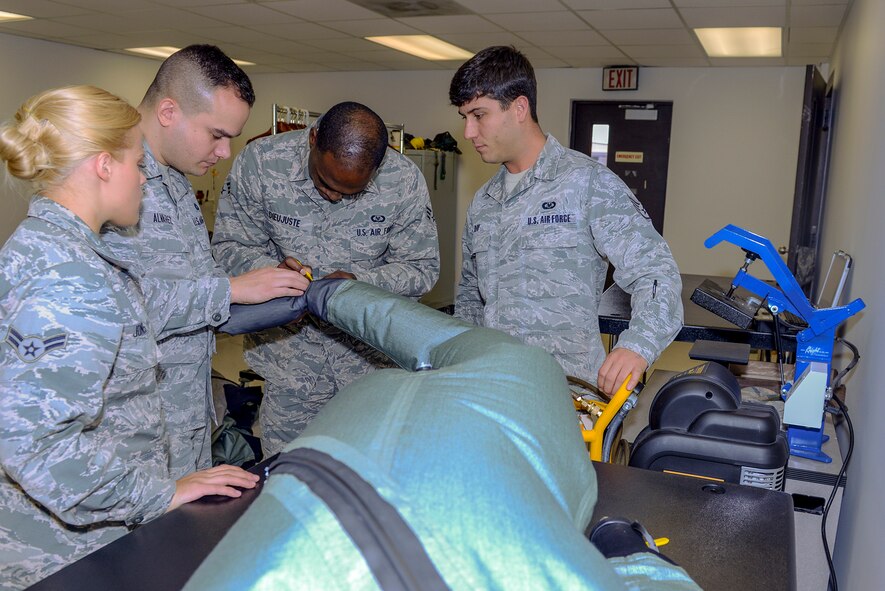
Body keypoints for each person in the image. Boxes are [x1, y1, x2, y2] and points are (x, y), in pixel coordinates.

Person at [0, 85, 258, 591]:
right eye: (138, 164)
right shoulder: (71, 279)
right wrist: (158, 494)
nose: (143, 179)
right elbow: (34, 444)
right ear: (104, 166)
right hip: (70, 552)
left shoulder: (47, 247)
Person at [102, 45, 310, 479]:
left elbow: (195, 287)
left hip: (184, 417)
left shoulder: (176, 181)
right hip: (131, 433)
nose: (225, 152)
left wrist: (268, 292)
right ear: (168, 112)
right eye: (216, 134)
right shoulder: (110, 180)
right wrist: (232, 289)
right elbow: (112, 309)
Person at [449, 46, 683, 396]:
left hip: (568, 395)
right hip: (495, 389)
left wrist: (638, 345)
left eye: (479, 115)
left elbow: (656, 272)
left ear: (519, 108)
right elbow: (470, 297)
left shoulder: (587, 183)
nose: (468, 132)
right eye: (464, 117)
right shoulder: (483, 202)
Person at [212, 101, 439, 456]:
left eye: (351, 193)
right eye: (324, 182)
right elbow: (229, 246)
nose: (334, 196)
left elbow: (421, 268)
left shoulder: (403, 180)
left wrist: (359, 283)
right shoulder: (261, 163)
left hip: (369, 369)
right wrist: (272, 275)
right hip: (290, 367)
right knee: (287, 473)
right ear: (313, 139)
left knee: (365, 474)